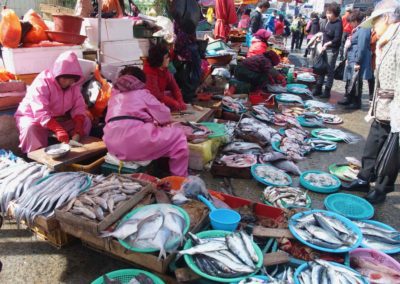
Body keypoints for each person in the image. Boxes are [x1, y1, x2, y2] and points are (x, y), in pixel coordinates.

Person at [343, 0, 400, 204]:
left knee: (391, 153)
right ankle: (364, 178)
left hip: (395, 108)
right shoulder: (387, 38)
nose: (373, 26)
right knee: (372, 145)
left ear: (386, 18)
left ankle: (382, 189)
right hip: (381, 107)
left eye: (375, 21)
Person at [103, 66, 189, 177]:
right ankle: (180, 179)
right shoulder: (142, 93)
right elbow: (165, 115)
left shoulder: (114, 96)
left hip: (112, 145)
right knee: (178, 137)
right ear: (141, 81)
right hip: (135, 143)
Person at [14, 51, 91, 153]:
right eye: (64, 78)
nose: (67, 82)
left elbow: (79, 106)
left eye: (71, 79)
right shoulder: (42, 81)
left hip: (57, 118)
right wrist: (57, 128)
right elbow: (39, 111)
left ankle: (78, 149)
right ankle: (37, 158)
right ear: (58, 74)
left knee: (86, 121)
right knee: (30, 128)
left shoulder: (73, 86)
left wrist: (78, 124)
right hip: (33, 117)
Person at [338, 11, 372, 110]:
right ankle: (349, 98)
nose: (350, 24)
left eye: (351, 22)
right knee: (350, 80)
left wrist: (358, 61)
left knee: (356, 82)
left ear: (356, 21)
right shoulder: (358, 29)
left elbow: (361, 47)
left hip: (356, 59)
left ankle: (356, 102)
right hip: (351, 58)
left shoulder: (364, 29)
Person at [313, 2, 343, 98]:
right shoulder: (328, 22)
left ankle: (327, 91)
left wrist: (327, 44)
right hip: (323, 48)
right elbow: (325, 33)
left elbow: (337, 39)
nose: (328, 15)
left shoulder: (338, 24)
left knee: (329, 70)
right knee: (321, 69)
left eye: (330, 13)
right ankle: (318, 88)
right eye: (327, 13)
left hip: (332, 50)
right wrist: (320, 39)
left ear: (335, 14)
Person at [143, 44, 186, 112]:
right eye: (166, 57)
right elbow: (155, 95)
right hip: (150, 105)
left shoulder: (164, 70)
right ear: (159, 59)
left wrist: (180, 100)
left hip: (160, 101)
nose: (169, 59)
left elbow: (175, 88)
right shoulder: (149, 72)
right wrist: (173, 103)